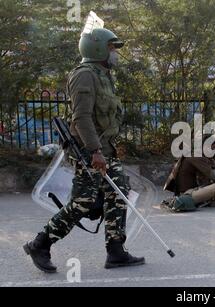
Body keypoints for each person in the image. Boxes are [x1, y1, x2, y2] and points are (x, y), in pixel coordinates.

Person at [23, 27, 145, 273]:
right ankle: (40, 244)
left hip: (105, 149)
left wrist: (106, 148)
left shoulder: (102, 74)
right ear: (98, 48)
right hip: (90, 151)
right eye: (111, 48)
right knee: (83, 202)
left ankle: (116, 251)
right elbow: (81, 117)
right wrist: (95, 151)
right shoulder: (84, 75)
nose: (115, 53)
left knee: (118, 194)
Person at [161, 137, 215, 212]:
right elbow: (213, 175)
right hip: (187, 194)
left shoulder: (209, 159)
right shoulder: (194, 155)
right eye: (213, 148)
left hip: (198, 189)